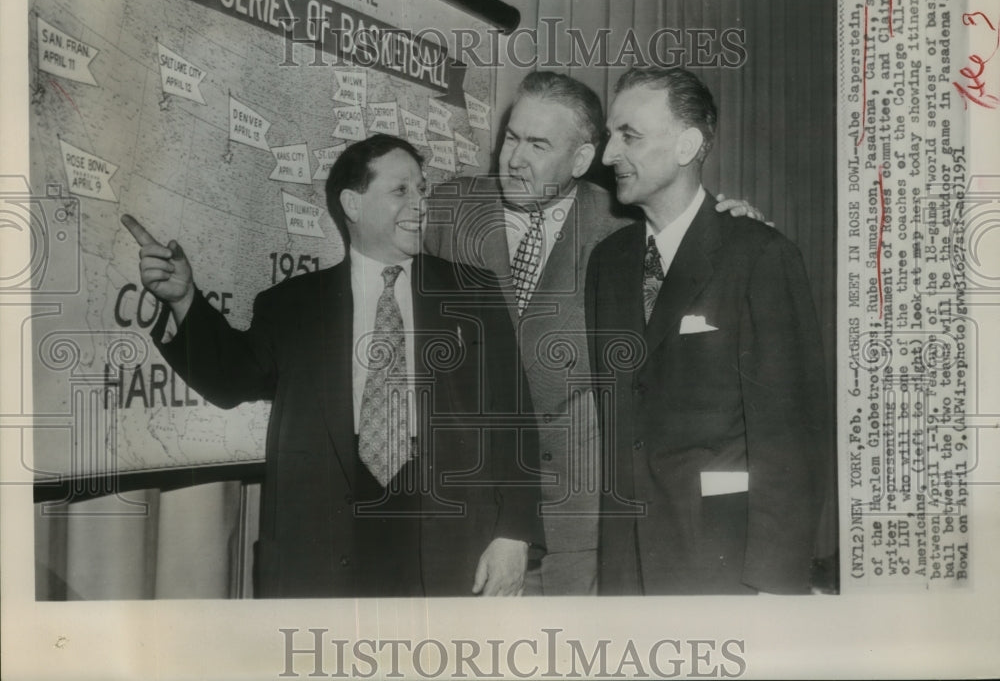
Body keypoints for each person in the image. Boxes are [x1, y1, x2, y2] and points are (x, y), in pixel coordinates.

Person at [122, 134, 542, 598]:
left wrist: (514, 534)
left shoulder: (472, 294)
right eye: (401, 190)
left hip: (449, 542)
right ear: (352, 204)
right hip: (326, 546)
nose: (421, 203)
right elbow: (229, 380)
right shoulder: (293, 306)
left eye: (422, 189)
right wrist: (184, 300)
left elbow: (514, 420)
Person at [424, 71, 765, 595]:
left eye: (538, 144)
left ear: (583, 160)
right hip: (464, 509)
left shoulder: (628, 230)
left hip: (578, 529)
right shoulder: (450, 210)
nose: (514, 158)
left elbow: (708, 274)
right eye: (512, 137)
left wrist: (737, 221)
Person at [586, 67, 829, 595]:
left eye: (629, 135)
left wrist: (776, 584)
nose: (608, 155)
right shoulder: (607, 263)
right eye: (610, 135)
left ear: (686, 145)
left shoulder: (760, 255)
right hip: (627, 572)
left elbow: (790, 439)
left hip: (724, 569)